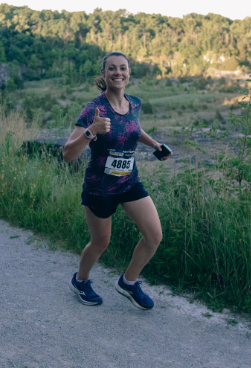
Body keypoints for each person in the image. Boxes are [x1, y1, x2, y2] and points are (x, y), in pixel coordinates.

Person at [63, 52, 170, 310]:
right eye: (112, 69)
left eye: (123, 68)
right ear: (103, 74)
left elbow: (133, 128)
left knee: (154, 235)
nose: (118, 73)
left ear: (129, 73)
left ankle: (128, 282)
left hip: (129, 182)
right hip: (100, 188)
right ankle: (81, 280)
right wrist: (92, 131)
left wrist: (155, 144)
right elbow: (68, 154)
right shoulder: (93, 109)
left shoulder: (134, 104)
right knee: (101, 242)